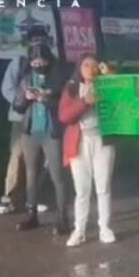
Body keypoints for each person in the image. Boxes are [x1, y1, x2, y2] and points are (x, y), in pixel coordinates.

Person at [13, 41, 71, 235]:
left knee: (57, 175)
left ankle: (63, 218)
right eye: (34, 61)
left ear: (49, 60)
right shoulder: (26, 78)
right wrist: (26, 97)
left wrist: (45, 98)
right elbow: (17, 107)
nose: (38, 64)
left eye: (42, 61)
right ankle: (32, 214)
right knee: (31, 174)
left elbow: (64, 105)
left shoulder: (59, 76)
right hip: (30, 132)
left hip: (52, 132)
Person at [59, 53, 116, 248]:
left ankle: (105, 227)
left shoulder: (107, 85)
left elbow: (124, 93)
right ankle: (79, 230)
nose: (90, 69)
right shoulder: (72, 87)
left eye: (94, 65)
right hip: (80, 141)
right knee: (82, 189)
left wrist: (110, 75)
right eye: (86, 65)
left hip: (103, 140)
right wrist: (85, 102)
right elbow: (64, 116)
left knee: (103, 186)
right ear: (79, 69)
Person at [0, 28, 48, 216]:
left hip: (44, 116)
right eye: (34, 40)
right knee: (17, 155)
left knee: (41, 158)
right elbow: (6, 88)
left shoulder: (52, 63)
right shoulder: (18, 62)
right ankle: (8, 197)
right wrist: (23, 100)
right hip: (21, 116)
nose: (38, 44)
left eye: (41, 40)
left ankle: (33, 198)